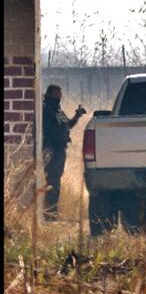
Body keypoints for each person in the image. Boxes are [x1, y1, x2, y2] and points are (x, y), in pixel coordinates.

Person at [42, 84, 85, 220]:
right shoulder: (45, 109)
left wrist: (77, 116)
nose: (58, 99)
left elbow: (67, 125)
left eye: (60, 96)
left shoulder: (58, 110)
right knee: (52, 182)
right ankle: (50, 214)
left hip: (60, 150)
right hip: (52, 150)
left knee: (56, 181)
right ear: (49, 95)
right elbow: (45, 131)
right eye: (56, 96)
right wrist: (47, 148)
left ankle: (52, 212)